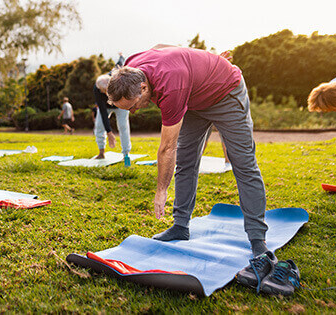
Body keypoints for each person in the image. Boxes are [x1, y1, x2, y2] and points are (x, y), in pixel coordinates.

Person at [106, 45, 269, 257]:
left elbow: (167, 148)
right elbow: (161, 48)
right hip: (194, 98)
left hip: (225, 92)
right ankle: (180, 226)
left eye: (134, 106)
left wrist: (161, 190)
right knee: (186, 161)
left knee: (243, 163)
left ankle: (258, 238)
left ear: (144, 88)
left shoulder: (171, 85)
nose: (134, 111)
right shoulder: (131, 68)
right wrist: (203, 63)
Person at [93, 74, 132, 167]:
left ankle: (126, 154)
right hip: (106, 107)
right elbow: (102, 111)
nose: (104, 93)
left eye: (106, 91)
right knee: (99, 125)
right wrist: (109, 132)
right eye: (103, 91)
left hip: (121, 104)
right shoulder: (97, 89)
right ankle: (101, 152)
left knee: (123, 126)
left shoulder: (119, 83)